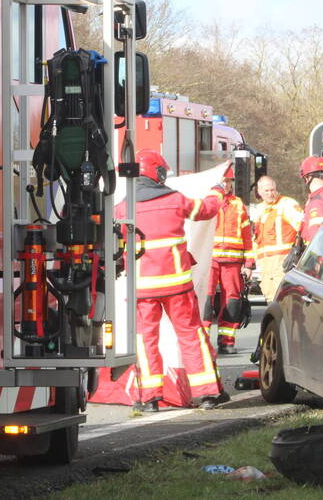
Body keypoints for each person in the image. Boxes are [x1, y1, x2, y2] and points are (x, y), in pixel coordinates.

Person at [116, 149, 229, 412]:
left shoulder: (124, 206)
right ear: (157, 173)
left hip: (142, 289)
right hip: (178, 287)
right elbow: (207, 210)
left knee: (146, 341)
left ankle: (150, 397)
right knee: (191, 336)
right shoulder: (175, 199)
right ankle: (208, 393)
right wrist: (217, 190)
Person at [203, 164, 253, 354]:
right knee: (206, 299)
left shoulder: (238, 205)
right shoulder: (208, 201)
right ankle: (204, 342)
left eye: (230, 181)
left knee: (232, 300)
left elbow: (247, 236)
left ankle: (227, 341)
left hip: (233, 262)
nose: (227, 185)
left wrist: (249, 264)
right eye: (225, 181)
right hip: (210, 260)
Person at [250, 175, 302, 301]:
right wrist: (251, 262)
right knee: (270, 296)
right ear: (259, 192)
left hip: (282, 261)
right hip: (265, 263)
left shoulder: (287, 204)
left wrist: (296, 250)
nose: (270, 193)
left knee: (283, 297)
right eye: (266, 191)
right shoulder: (259, 210)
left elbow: (301, 227)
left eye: (272, 190)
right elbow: (256, 239)